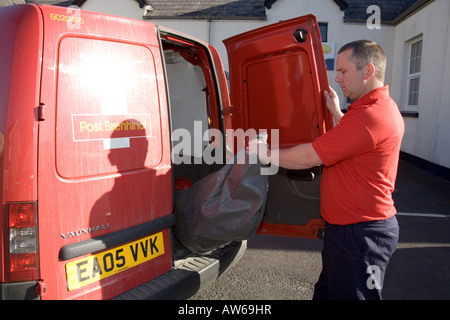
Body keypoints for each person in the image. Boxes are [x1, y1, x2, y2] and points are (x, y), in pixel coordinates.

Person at [260, 40, 405, 299]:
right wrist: (337, 112)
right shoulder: (374, 109)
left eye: (343, 71)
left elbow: (307, 157)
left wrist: (262, 153)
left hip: (361, 235)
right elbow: (358, 137)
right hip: (351, 230)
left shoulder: (369, 117)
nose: (337, 78)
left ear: (368, 71)